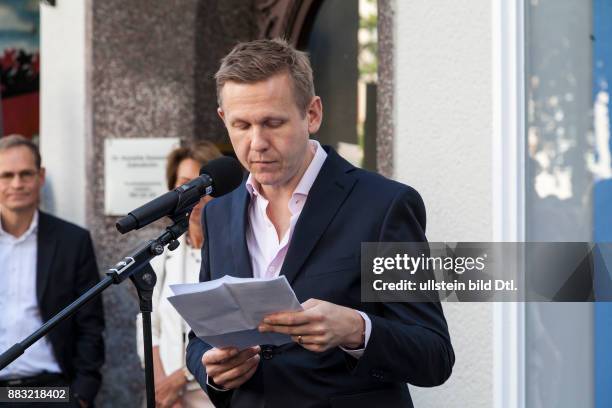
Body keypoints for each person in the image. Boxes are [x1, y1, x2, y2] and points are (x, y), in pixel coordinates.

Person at [185, 39, 455, 408]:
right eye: (241, 125)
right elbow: (201, 336)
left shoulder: (383, 206)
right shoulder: (218, 213)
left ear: (312, 114)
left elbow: (434, 354)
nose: (257, 142)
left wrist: (357, 329)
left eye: (272, 123)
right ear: (223, 119)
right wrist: (211, 370)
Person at [0, 135, 105, 407]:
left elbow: (90, 325)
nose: (16, 184)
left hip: (50, 392)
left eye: (25, 174)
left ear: (41, 176)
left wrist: (81, 394)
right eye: (6, 175)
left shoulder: (73, 242)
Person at [136, 141, 222, 408]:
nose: (195, 197)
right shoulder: (164, 251)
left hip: (212, 394)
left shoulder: (231, 252)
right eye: (185, 185)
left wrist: (181, 378)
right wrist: (161, 386)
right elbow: (149, 324)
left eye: (202, 187)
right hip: (166, 397)